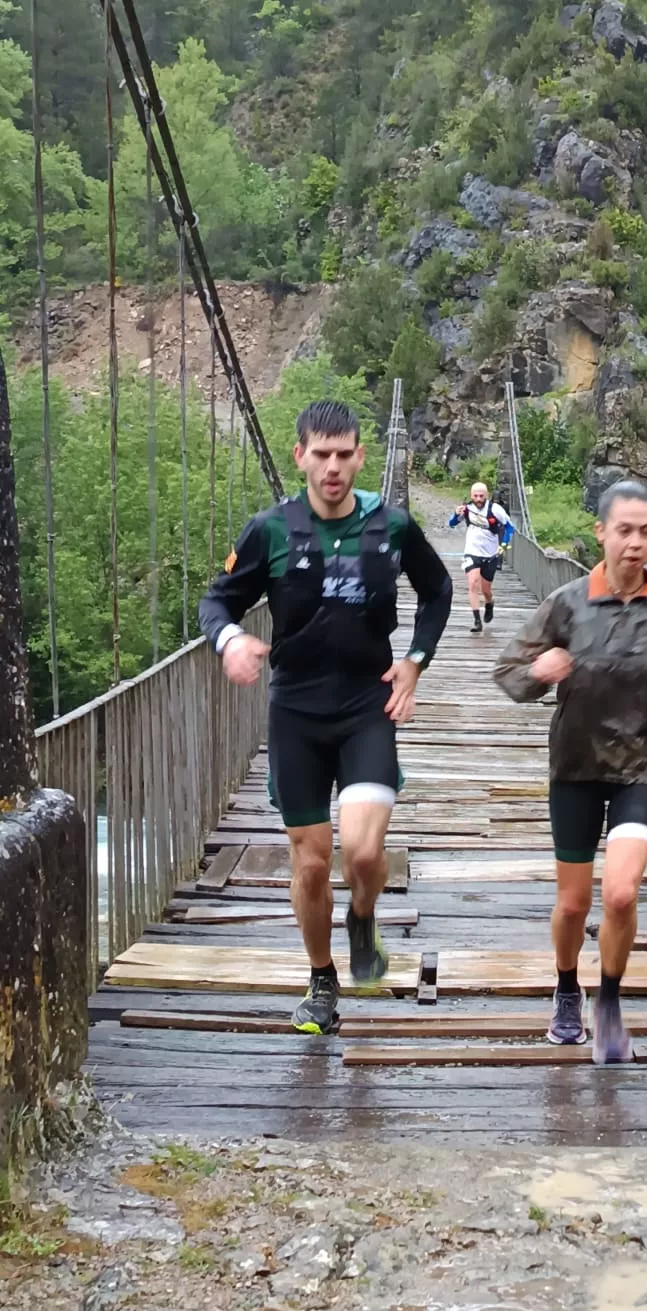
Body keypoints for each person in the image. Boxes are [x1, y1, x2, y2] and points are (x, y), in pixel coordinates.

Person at [198, 399, 452, 1035]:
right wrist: (230, 642)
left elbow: (439, 589)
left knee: (364, 854)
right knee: (311, 862)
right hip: (296, 713)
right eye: (321, 455)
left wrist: (416, 661)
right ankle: (321, 981)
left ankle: (361, 917)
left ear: (360, 456)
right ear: (300, 456)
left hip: (368, 704)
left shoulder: (391, 525)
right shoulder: (272, 529)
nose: (333, 468)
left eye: (345, 455)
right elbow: (217, 600)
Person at [494, 479, 647, 1063]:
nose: (635, 543)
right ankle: (567, 987)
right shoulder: (568, 603)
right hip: (577, 765)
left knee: (622, 893)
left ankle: (609, 1000)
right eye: (624, 530)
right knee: (574, 903)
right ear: (601, 532)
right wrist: (540, 673)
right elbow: (509, 673)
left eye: (646, 531)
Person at [449, 481, 515, 632]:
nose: (478, 499)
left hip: (490, 553)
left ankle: (489, 603)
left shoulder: (495, 509)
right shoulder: (466, 509)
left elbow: (509, 527)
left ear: (486, 496)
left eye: (481, 496)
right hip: (472, 551)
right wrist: (455, 514)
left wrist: (504, 544)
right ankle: (477, 621)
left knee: (486, 590)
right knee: (473, 583)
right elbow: (452, 523)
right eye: (475, 496)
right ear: (471, 495)